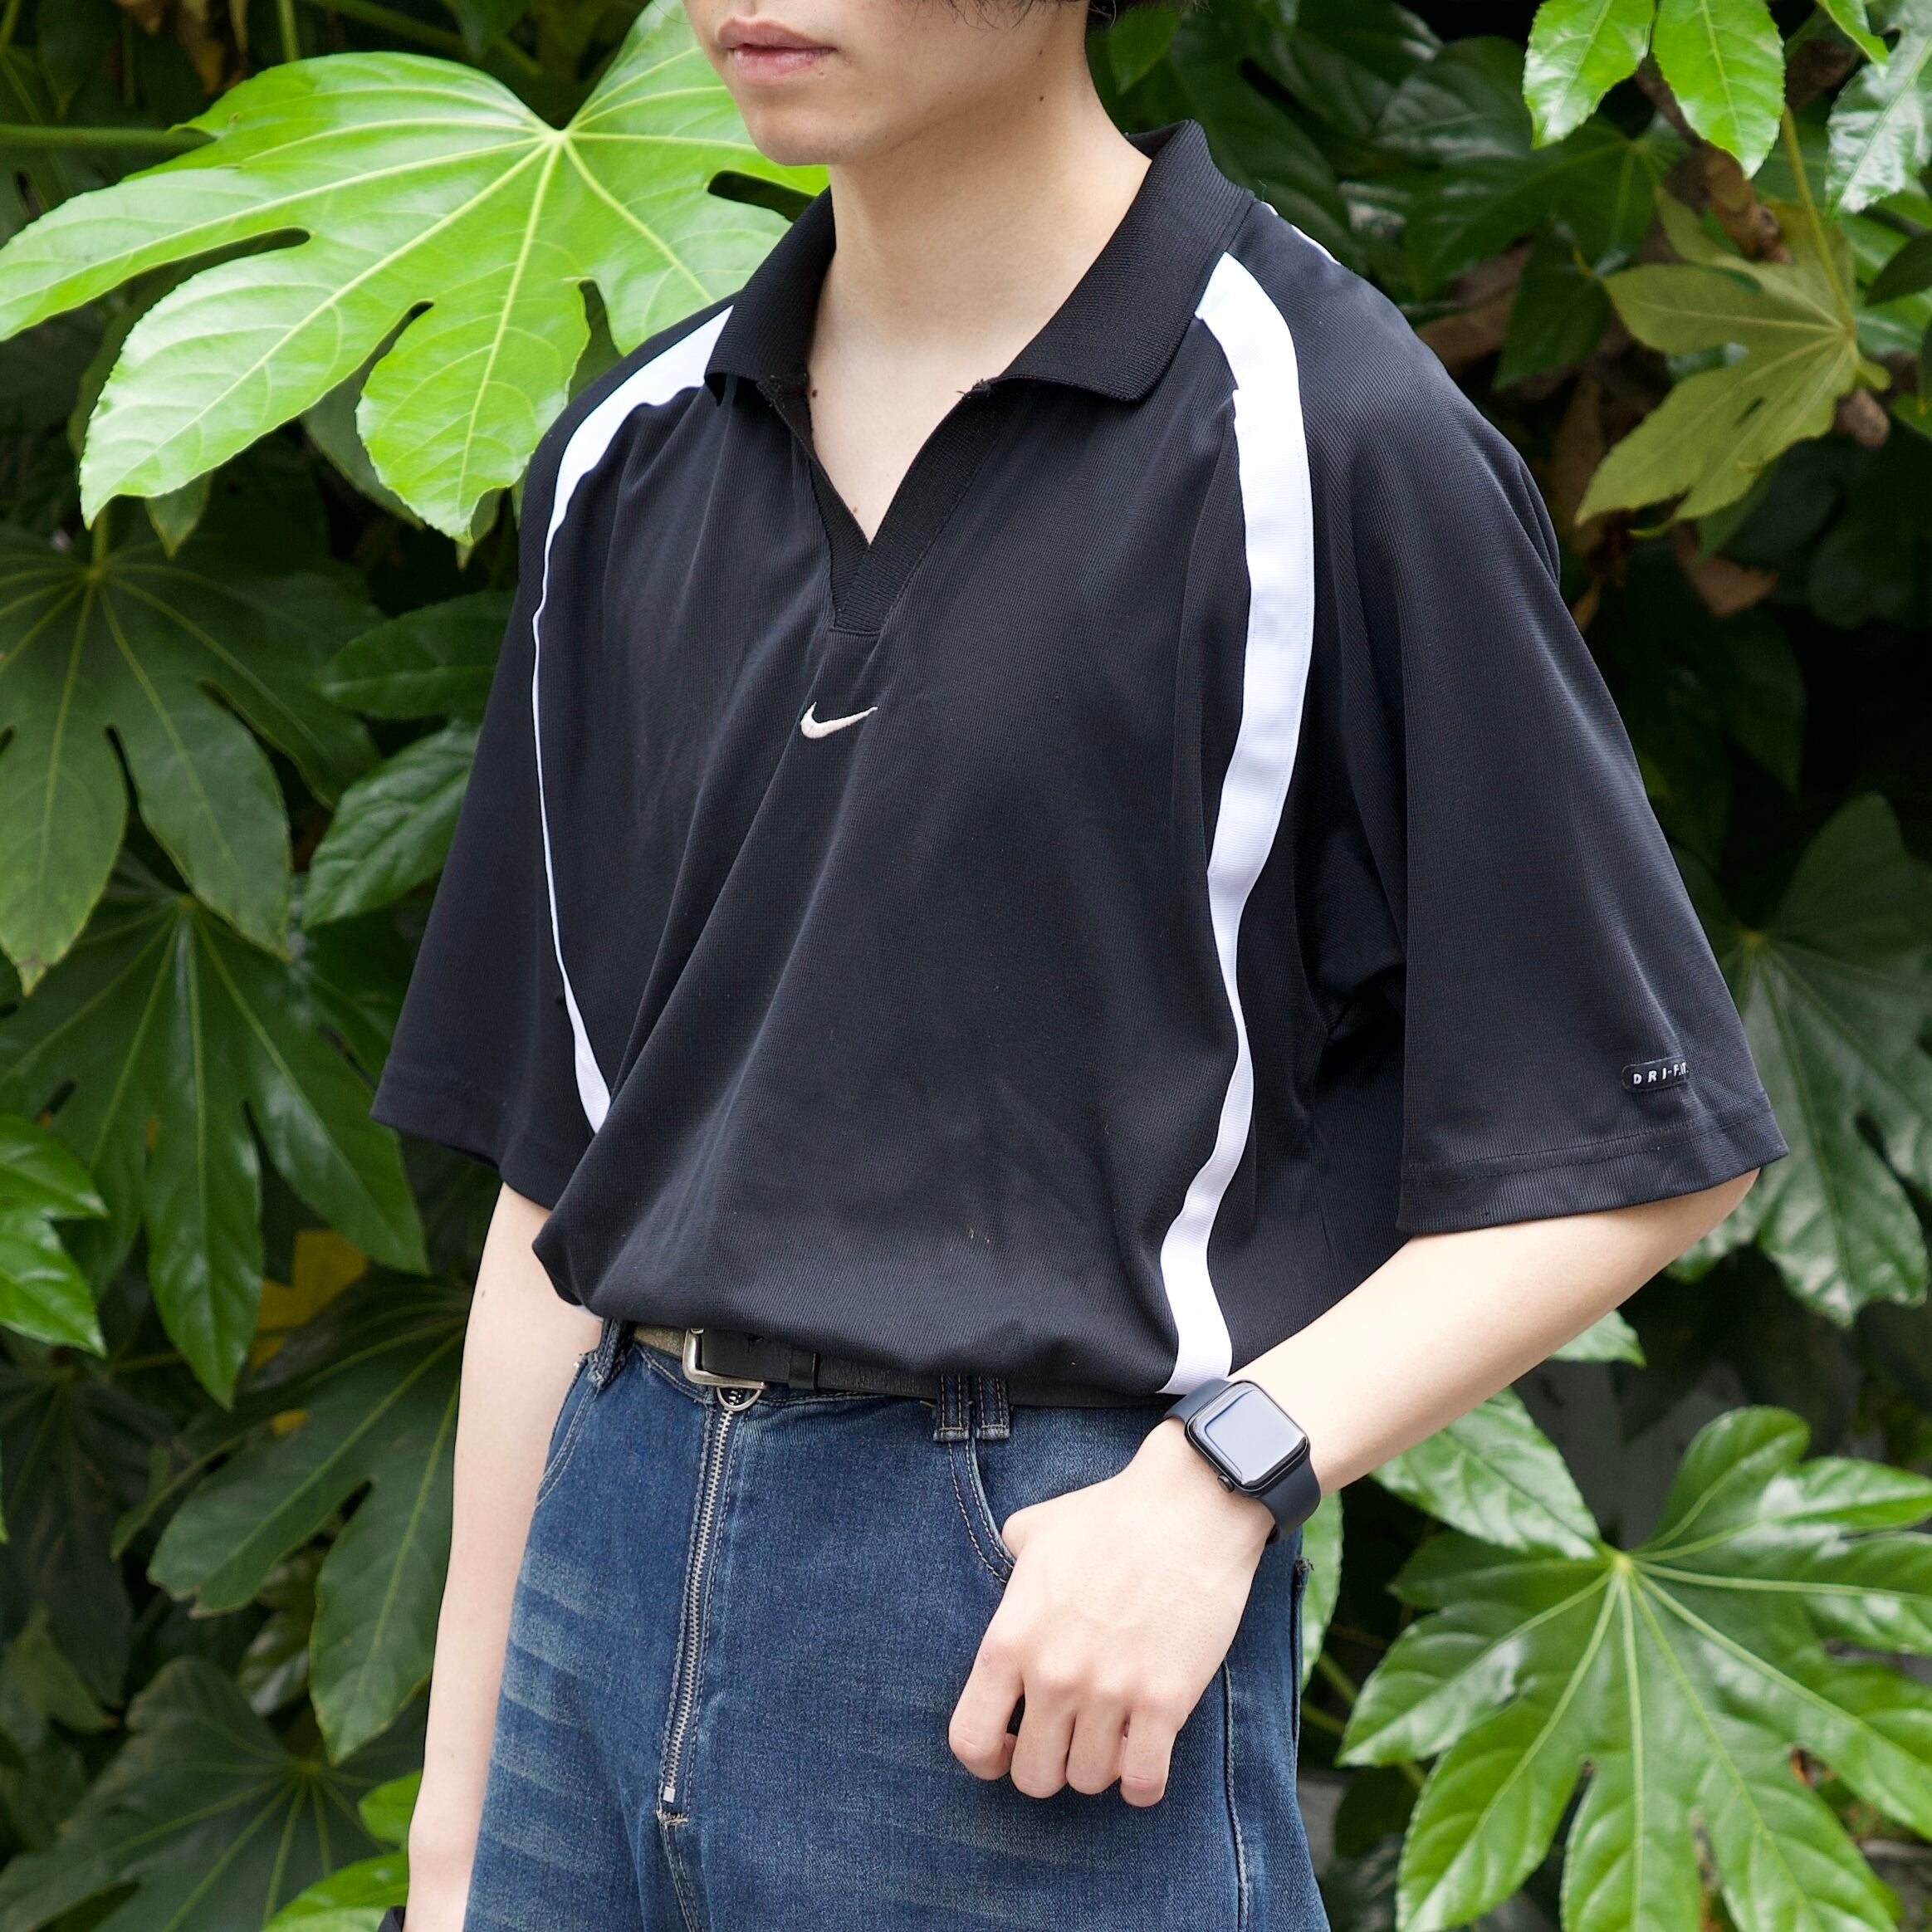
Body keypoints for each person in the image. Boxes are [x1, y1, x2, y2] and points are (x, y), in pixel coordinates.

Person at [369, 0, 1788, 1920]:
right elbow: (561, 1180)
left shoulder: (1323, 433)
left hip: (1024, 1625)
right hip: (596, 1584)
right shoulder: (630, 455)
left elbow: (1640, 1141)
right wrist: (466, 1811)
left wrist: (1224, 1482)